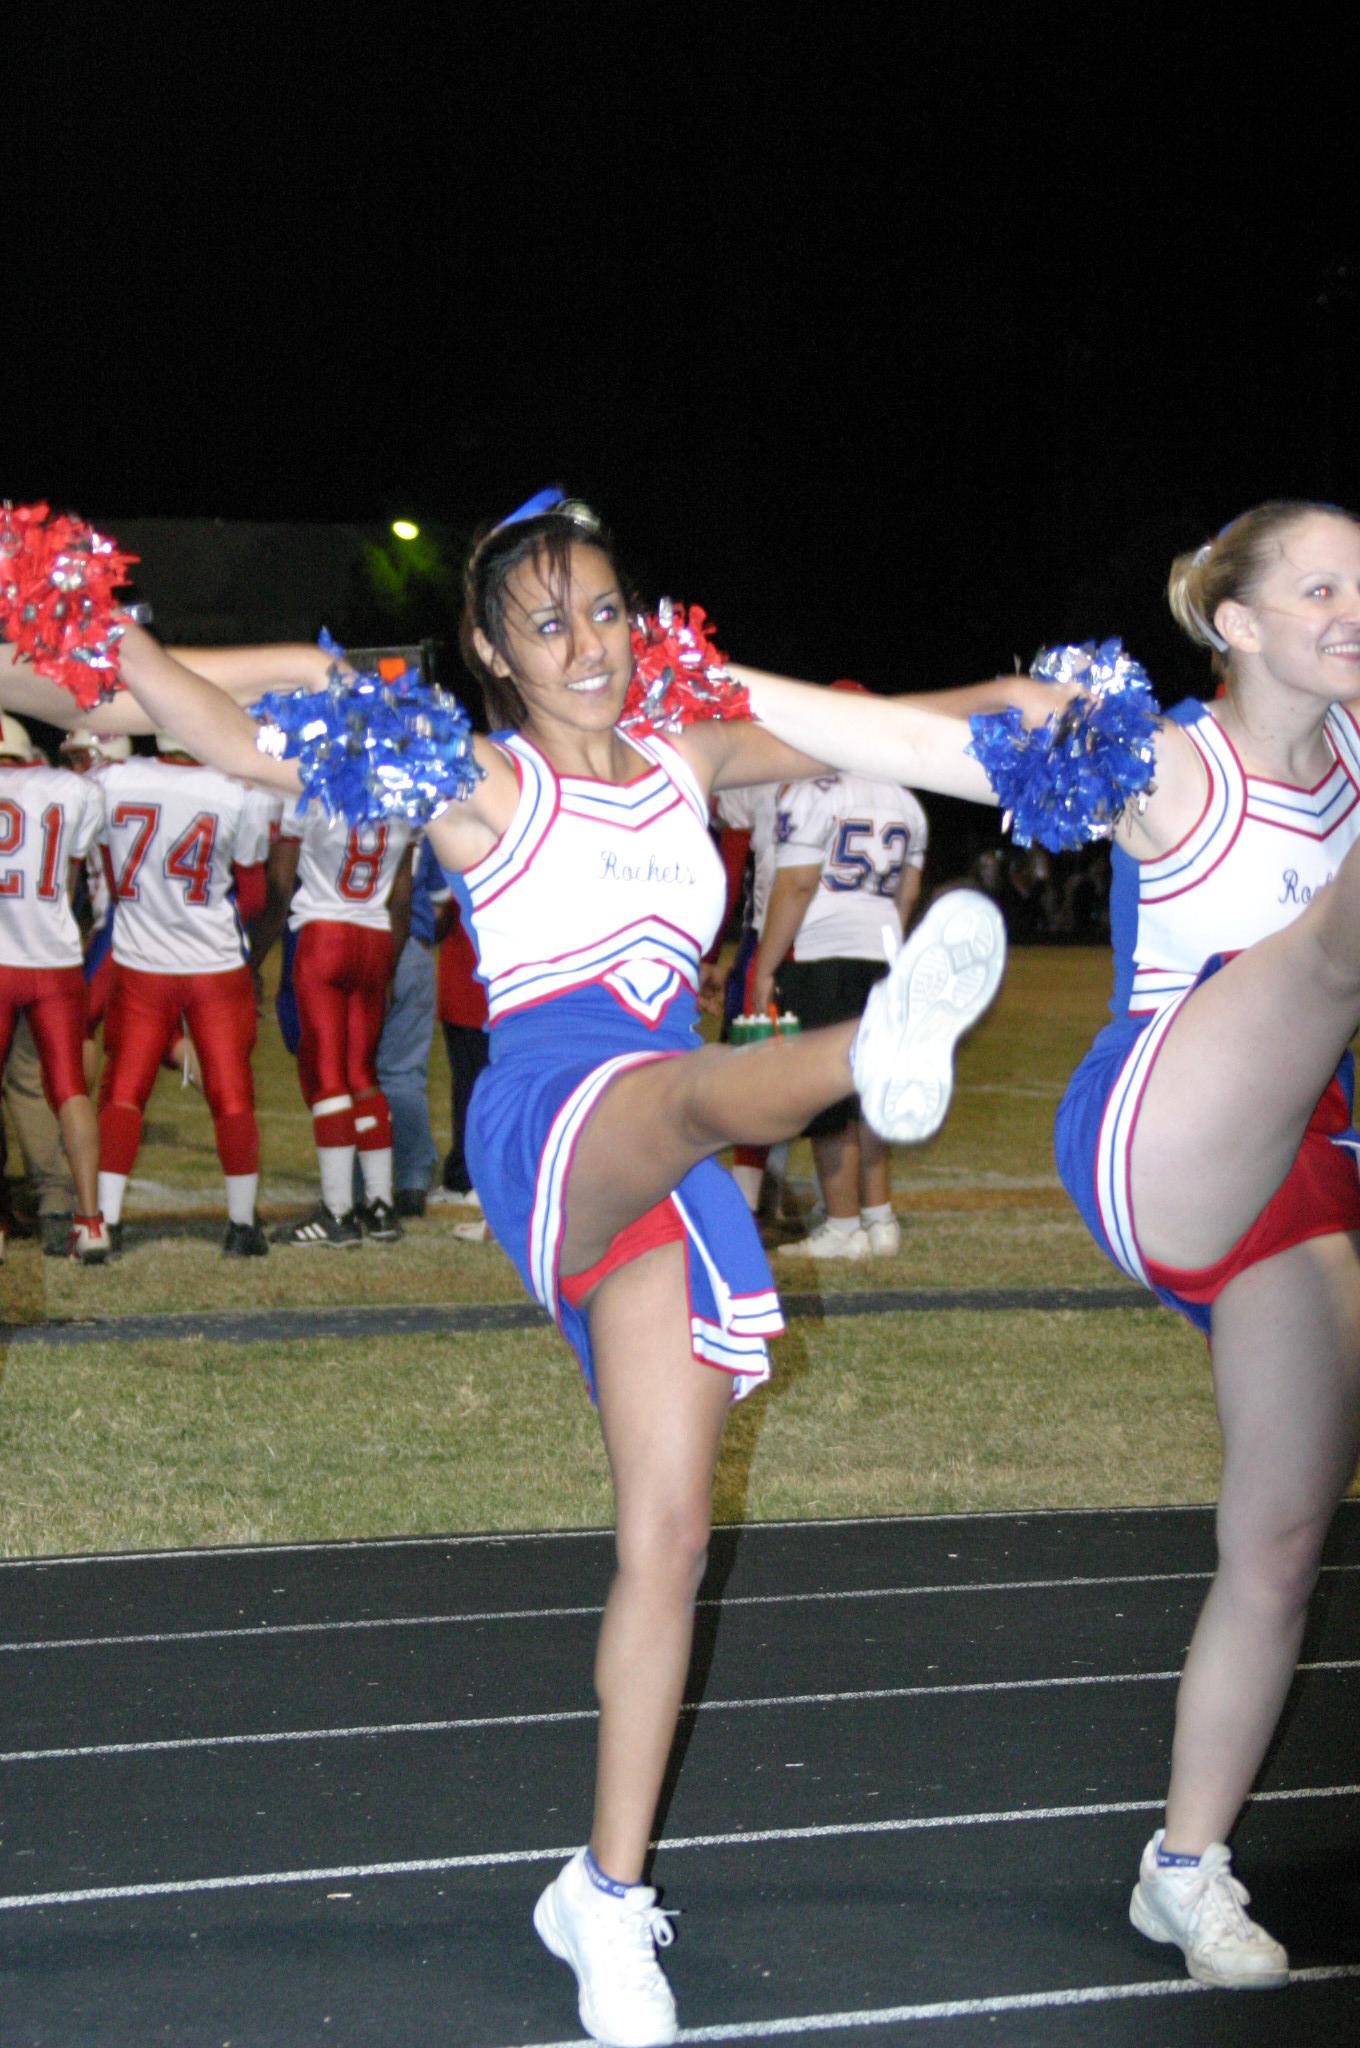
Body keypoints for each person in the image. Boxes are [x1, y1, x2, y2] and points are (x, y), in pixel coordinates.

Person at [60, 494, 1008, 2046]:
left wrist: (1057, 716)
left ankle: (605, 1896)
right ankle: (867, 1049)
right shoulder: (479, 783)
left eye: (610, 610)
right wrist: (128, 646)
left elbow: (894, 733)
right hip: (557, 1113)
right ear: (493, 648)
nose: (587, 644)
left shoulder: (690, 758)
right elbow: (236, 742)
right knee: (695, 1091)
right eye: (548, 620)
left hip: (665, 1163)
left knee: (674, 1535)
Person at [94, 733, 274, 1256]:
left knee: (124, 1091)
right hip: (214, 964)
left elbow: (109, 872)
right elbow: (255, 892)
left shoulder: (114, 780)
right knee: (232, 1093)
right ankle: (242, 1226)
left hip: (141, 960)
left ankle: (106, 1220)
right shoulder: (236, 788)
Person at [753, 756, 929, 1258]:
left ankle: (844, 1226)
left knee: (828, 1098)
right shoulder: (906, 797)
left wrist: (767, 965)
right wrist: (885, 940)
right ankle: (880, 1218)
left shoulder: (811, 793)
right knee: (871, 1094)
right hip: (881, 953)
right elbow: (907, 893)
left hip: (822, 954)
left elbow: (798, 884)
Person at [251, 800, 414, 1247]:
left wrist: (255, 956)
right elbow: (401, 897)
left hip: (324, 935)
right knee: (364, 1075)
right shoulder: (403, 795)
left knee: (328, 1080)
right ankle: (380, 1208)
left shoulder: (311, 790)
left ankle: (338, 1213)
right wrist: (388, 967)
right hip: (376, 936)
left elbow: (281, 884)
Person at [0, 713, 109, 1261]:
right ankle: (88, 1220)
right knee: (67, 1087)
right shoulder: (67, 789)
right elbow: (68, 879)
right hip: (53, 958)